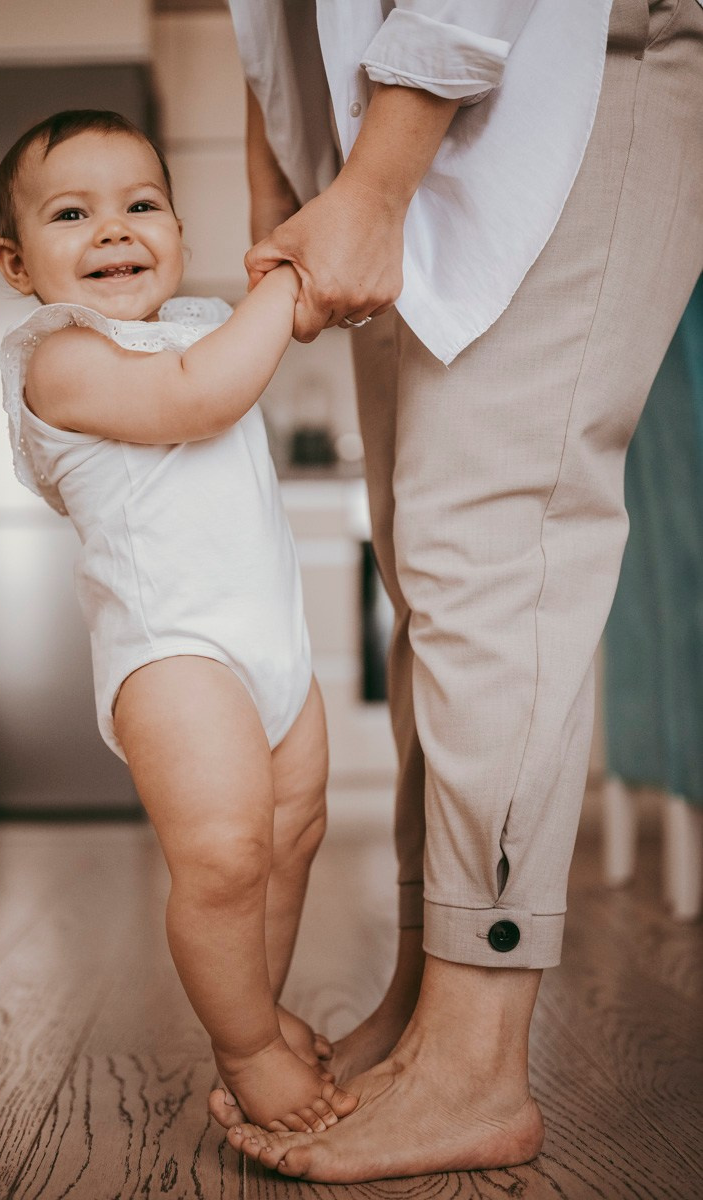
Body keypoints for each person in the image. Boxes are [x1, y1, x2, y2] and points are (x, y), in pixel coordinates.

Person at [214, 0, 703, 1182]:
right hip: (399, 112)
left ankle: (476, 1057)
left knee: (490, 538)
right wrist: (290, 169)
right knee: (428, 562)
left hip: (571, 59)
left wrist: (375, 184)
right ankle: (431, 1000)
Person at [0, 108, 358, 1134]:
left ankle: (263, 1008)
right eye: (74, 214)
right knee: (226, 855)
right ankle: (243, 1048)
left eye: (141, 204)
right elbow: (197, 399)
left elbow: (221, 362)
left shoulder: (198, 321)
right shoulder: (57, 357)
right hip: (174, 656)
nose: (114, 230)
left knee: (293, 837)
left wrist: (278, 275)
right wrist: (288, 279)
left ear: (181, 236)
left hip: (271, 644)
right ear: (17, 265)